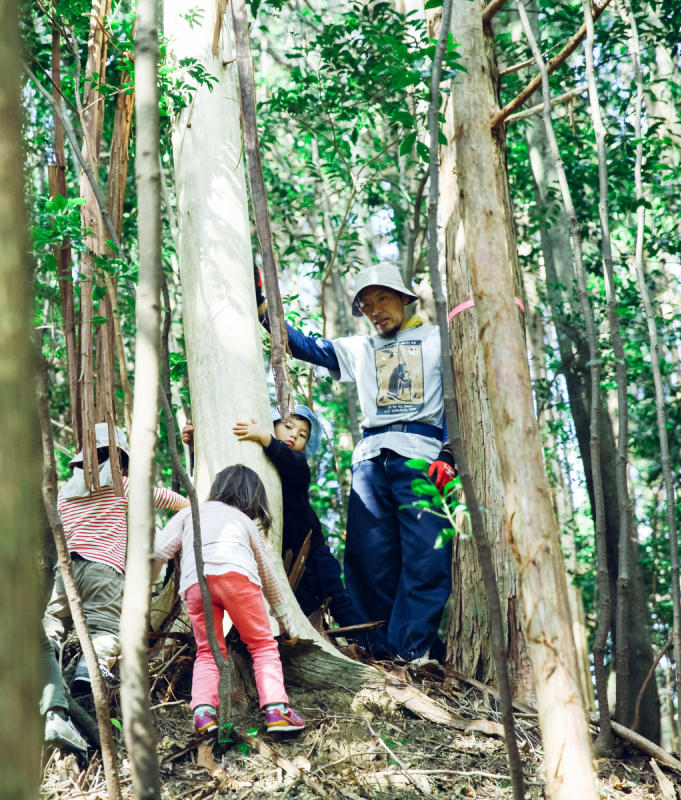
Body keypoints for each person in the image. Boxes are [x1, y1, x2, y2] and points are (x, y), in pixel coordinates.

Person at [258, 263, 457, 662]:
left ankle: (411, 651)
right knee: (369, 559)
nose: (373, 309)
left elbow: (460, 398)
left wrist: (450, 454)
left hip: (422, 454)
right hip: (370, 459)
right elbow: (300, 345)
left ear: (403, 298)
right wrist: (262, 304)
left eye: (381, 298)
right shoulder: (361, 348)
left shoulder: (439, 340)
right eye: (365, 305)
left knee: (425, 558)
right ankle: (373, 648)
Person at [42, 423, 190, 751]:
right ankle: (84, 677)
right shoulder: (120, 485)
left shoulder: (66, 491)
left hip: (65, 571)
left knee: (52, 628)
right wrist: (192, 507)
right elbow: (165, 497)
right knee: (107, 628)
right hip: (102, 570)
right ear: (119, 461)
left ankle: (52, 691)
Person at [151, 464, 305, 735]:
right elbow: (268, 575)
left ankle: (203, 714)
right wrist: (286, 622)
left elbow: (158, 552)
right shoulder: (244, 521)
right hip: (238, 579)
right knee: (261, 645)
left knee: (207, 651)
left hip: (196, 583)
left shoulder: (190, 513)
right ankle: (277, 711)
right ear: (254, 498)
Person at [229, 405, 364, 630]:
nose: (294, 435)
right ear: (272, 424)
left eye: (302, 435)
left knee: (339, 601)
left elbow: (290, 463)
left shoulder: (298, 463)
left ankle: (369, 646)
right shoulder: (257, 461)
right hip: (285, 557)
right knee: (304, 607)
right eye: (288, 426)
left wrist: (266, 439)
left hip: (313, 552)